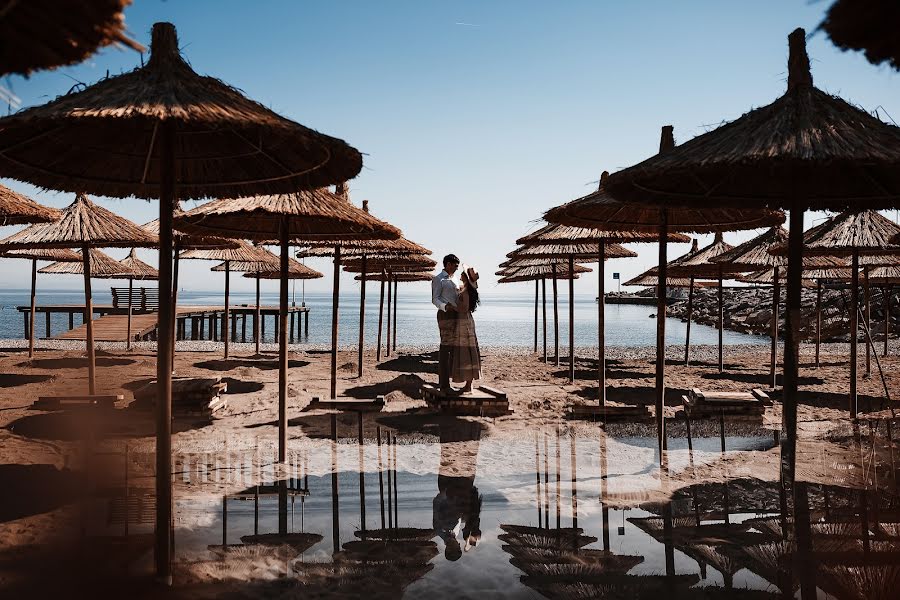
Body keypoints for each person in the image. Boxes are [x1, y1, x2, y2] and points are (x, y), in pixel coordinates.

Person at [432, 254, 460, 393]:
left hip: (456, 315)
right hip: (445, 314)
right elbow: (435, 299)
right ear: (448, 264)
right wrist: (445, 306)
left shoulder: (454, 279)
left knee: (454, 348)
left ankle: (449, 381)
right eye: (455, 266)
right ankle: (444, 384)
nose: (456, 268)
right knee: (445, 347)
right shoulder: (438, 279)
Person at [451, 266, 482, 393]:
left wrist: (453, 307)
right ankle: (468, 383)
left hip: (464, 321)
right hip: (465, 320)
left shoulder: (467, 291)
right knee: (467, 350)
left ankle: (469, 384)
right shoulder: (467, 289)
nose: (460, 277)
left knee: (467, 350)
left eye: (462, 275)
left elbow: (464, 308)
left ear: (466, 278)